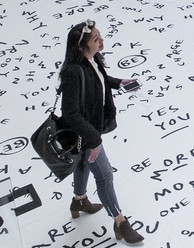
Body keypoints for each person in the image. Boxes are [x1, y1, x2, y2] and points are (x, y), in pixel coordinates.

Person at [58, 19, 144, 244]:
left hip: (90, 131)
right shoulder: (72, 73)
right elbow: (70, 113)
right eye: (96, 39)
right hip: (85, 134)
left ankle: (79, 200)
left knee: (83, 163)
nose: (101, 41)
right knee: (104, 174)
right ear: (82, 46)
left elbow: (100, 79)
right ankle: (120, 222)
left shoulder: (92, 59)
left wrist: (120, 83)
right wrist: (94, 140)